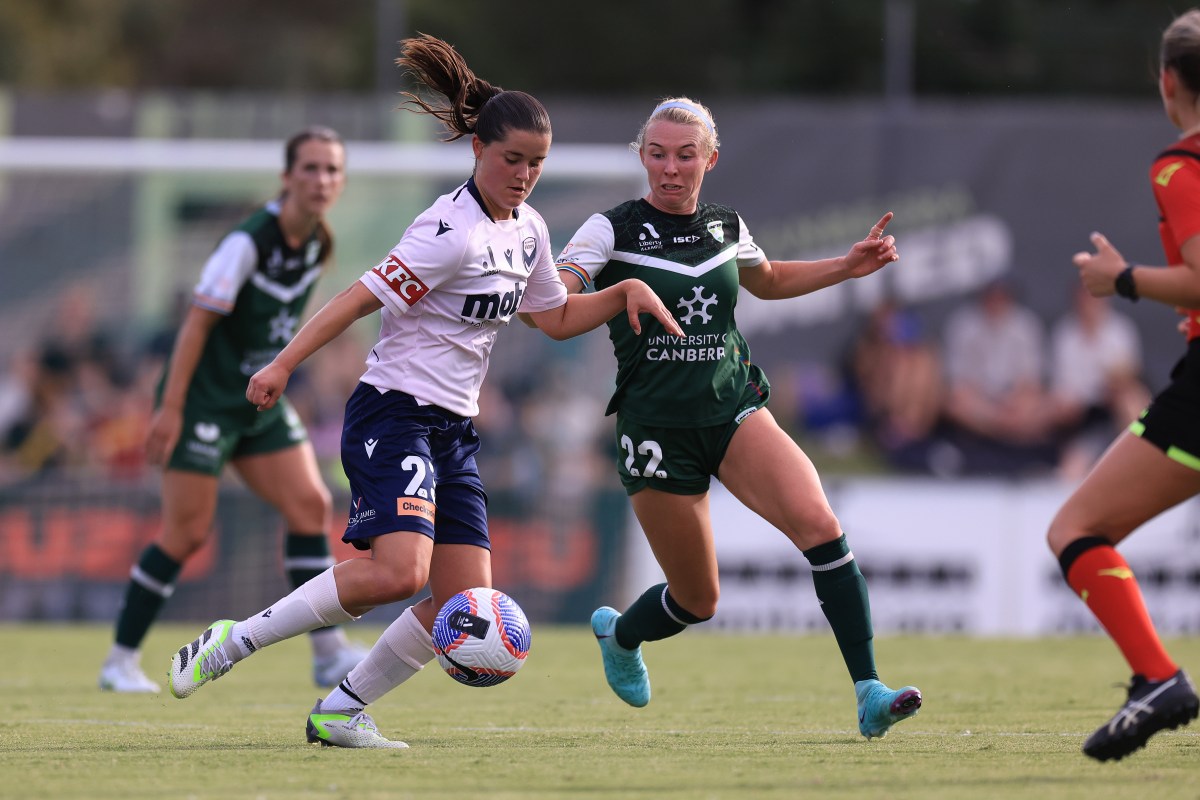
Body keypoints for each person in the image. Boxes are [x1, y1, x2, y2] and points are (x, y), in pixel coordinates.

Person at [164, 34, 681, 749]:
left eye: (536, 163)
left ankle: (341, 710)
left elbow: (554, 316)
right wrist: (283, 365)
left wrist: (622, 289)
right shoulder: (449, 231)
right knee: (395, 572)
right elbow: (357, 296)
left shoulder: (528, 229)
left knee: (460, 601)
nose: (524, 174)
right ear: (478, 151)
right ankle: (235, 640)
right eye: (511, 159)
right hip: (394, 412)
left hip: (454, 431)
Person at [553, 96, 922, 739]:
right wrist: (608, 289)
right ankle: (622, 636)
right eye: (658, 154)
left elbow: (769, 279)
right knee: (698, 599)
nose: (671, 168)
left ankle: (869, 690)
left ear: (711, 159)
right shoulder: (609, 229)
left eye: (686, 155)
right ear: (642, 157)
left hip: (733, 411)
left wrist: (848, 265)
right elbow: (556, 304)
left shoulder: (727, 224)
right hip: (656, 431)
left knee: (821, 525)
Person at [97, 126, 365, 693]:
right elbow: (197, 322)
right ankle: (119, 660)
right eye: (311, 168)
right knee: (186, 533)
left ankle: (326, 654)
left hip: (257, 402)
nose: (322, 180)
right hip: (204, 403)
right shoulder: (247, 243)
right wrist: (169, 409)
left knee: (310, 503)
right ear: (287, 177)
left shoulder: (320, 241)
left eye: (332, 170)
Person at [1047, 8, 1200, 762]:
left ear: (1168, 81)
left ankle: (1158, 677)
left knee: (1075, 529)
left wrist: (1126, 280)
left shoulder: (1182, 164)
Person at [940, 278, 1059, 476]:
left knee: (1049, 406)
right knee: (955, 404)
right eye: (992, 296)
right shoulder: (964, 325)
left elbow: (1031, 383)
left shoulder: (1026, 325)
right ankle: (1007, 442)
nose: (996, 302)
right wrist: (993, 414)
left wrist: (1012, 405)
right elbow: (960, 385)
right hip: (980, 405)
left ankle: (1020, 451)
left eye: (1001, 296)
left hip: (1015, 404)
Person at [1047, 283, 1149, 481]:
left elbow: (1125, 377)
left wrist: (1111, 388)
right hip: (1082, 418)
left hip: (1113, 412)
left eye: (1094, 297)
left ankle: (1143, 455)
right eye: (1084, 297)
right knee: (1073, 467)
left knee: (1132, 401)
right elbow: (1063, 389)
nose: (1089, 303)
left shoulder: (1120, 329)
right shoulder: (1065, 333)